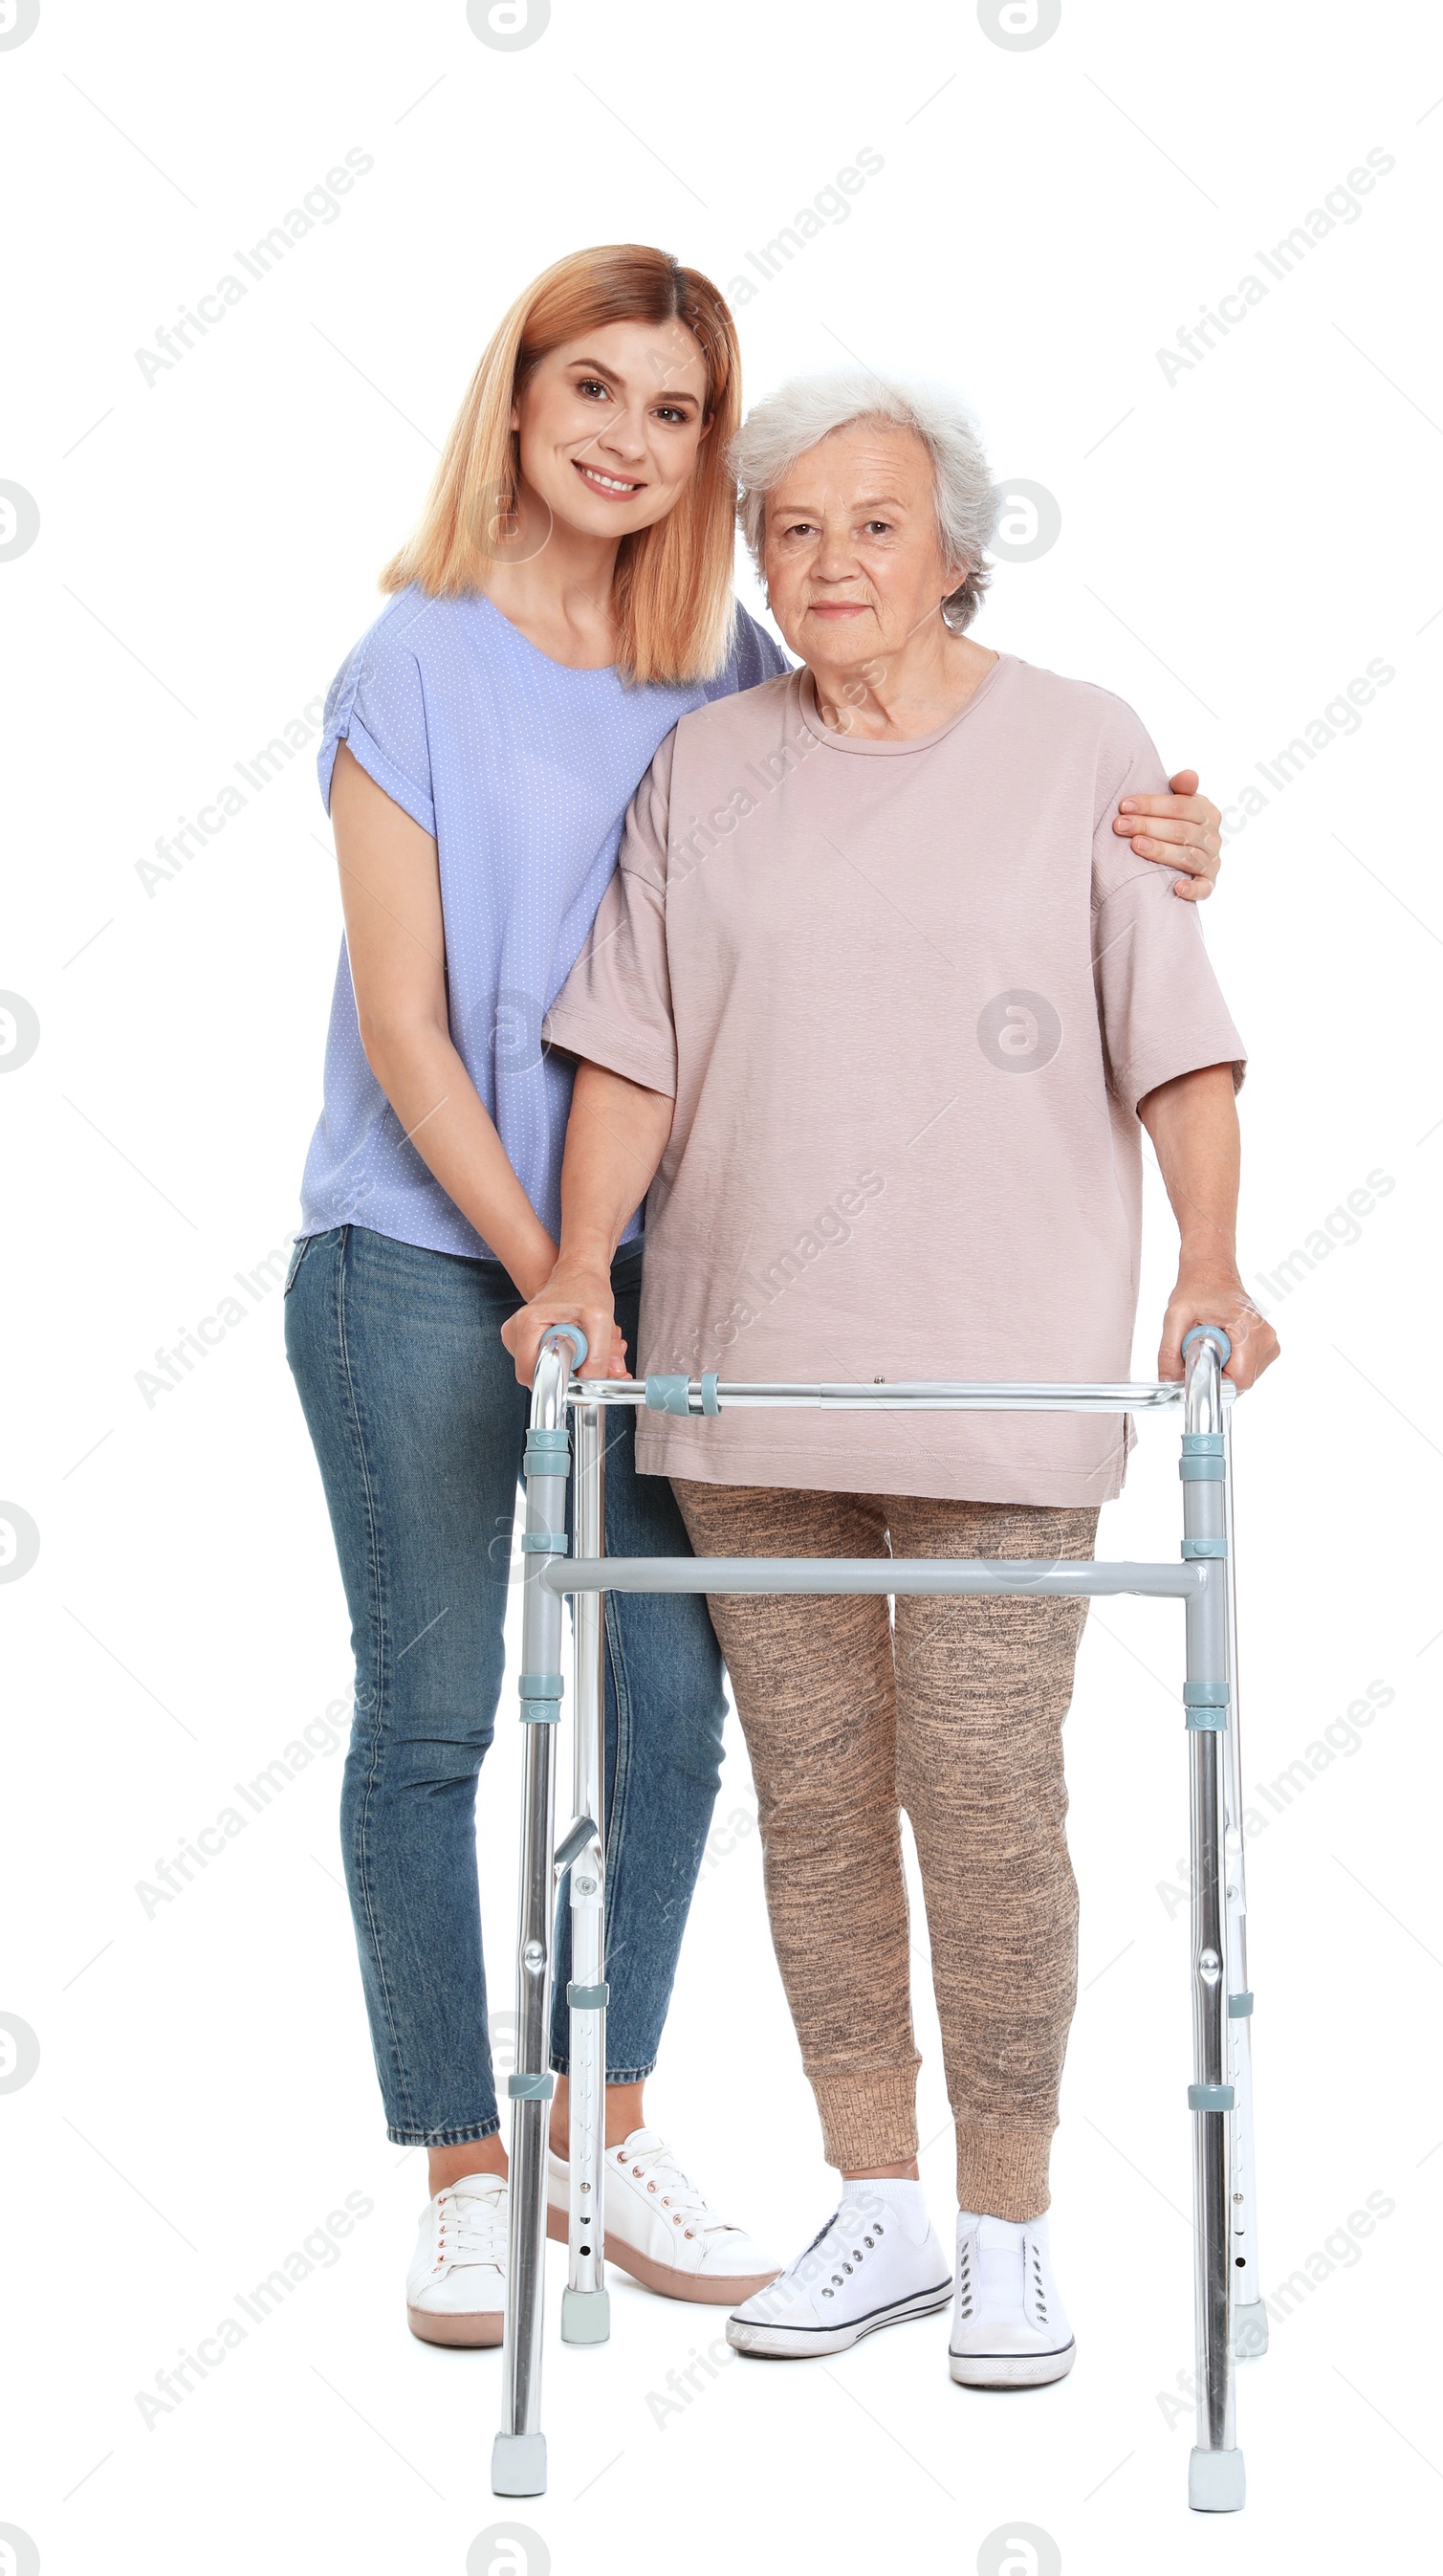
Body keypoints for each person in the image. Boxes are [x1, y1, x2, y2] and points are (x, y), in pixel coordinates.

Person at [285, 246, 1229, 2348]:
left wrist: (1163, 838)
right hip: (430, 1261)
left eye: (677, 411)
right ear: (514, 408)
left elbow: (933, 810)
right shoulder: (414, 662)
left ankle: (641, 2128)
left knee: (690, 1719)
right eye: (591, 394)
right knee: (441, 1719)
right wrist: (544, 1266)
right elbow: (427, 1026)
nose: (632, 441)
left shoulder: (709, 662)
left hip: (651, 1307)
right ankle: (464, 2167)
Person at [507, 367, 1278, 2392]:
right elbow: (633, 1050)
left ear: (953, 553)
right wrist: (583, 1263)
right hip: (746, 1375)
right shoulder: (709, 767)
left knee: (987, 1793)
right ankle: (873, 2208)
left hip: (1002, 1384)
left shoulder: (1083, 749)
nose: (827, 562)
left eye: (871, 526)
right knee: (822, 1809)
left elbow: (1167, 1037)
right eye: (789, 530)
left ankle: (1008, 2220)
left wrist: (1206, 1258)